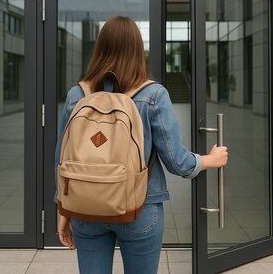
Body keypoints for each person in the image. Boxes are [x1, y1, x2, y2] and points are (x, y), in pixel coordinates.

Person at [54, 15, 228, 274]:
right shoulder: (153, 95)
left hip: (85, 208)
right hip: (139, 207)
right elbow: (176, 161)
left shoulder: (76, 95)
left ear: (99, 49)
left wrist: (63, 208)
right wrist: (210, 159)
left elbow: (62, 158)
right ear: (137, 49)